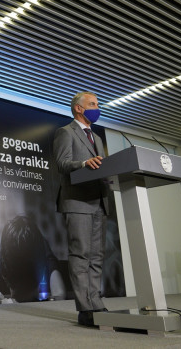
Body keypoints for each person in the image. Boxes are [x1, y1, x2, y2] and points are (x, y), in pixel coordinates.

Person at [53, 91, 110, 327]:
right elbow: (62, 164)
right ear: (79, 108)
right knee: (81, 254)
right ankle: (85, 309)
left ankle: (96, 302)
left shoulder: (97, 137)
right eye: (93, 104)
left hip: (99, 201)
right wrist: (83, 163)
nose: (97, 107)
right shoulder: (65, 132)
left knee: (96, 256)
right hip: (77, 201)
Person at [0, 215, 66, 305]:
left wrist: (6, 250)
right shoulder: (54, 307)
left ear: (2, 267)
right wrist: (45, 251)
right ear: (42, 269)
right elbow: (60, 292)